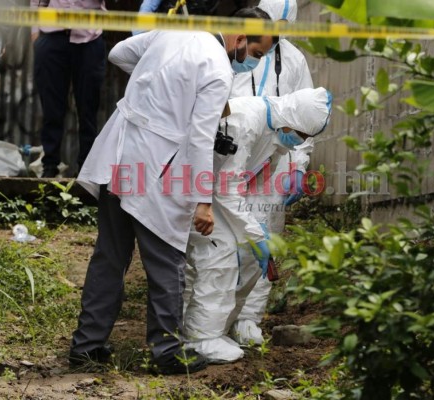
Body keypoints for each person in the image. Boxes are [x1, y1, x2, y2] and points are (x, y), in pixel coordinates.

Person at [69, 7, 275, 375]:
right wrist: (202, 202)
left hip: (119, 156)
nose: (251, 63)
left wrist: (159, 89)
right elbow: (198, 139)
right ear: (240, 38)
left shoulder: (175, 31)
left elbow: (119, 53)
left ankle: (86, 346)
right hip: (153, 169)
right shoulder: (217, 69)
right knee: (166, 262)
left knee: (109, 258)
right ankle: (167, 352)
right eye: (256, 54)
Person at [184, 87, 332, 363]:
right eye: (301, 135)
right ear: (292, 122)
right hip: (197, 193)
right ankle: (200, 338)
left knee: (228, 257)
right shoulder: (245, 122)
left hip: (210, 192)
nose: (299, 142)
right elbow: (227, 187)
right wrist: (254, 232)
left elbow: (247, 183)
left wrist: (257, 228)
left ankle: (210, 330)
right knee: (220, 256)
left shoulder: (273, 131)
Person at [229, 0, 315, 346]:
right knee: (225, 237)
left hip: (274, 160)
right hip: (234, 155)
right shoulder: (233, 48)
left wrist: (298, 164)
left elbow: (305, 114)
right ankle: (214, 314)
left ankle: (249, 318)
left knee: (265, 237)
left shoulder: (294, 60)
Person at [30, 0, 107, 178]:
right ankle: (49, 165)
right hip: (51, 37)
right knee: (51, 108)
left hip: (89, 38)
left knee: (88, 109)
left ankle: (86, 169)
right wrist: (35, 33)